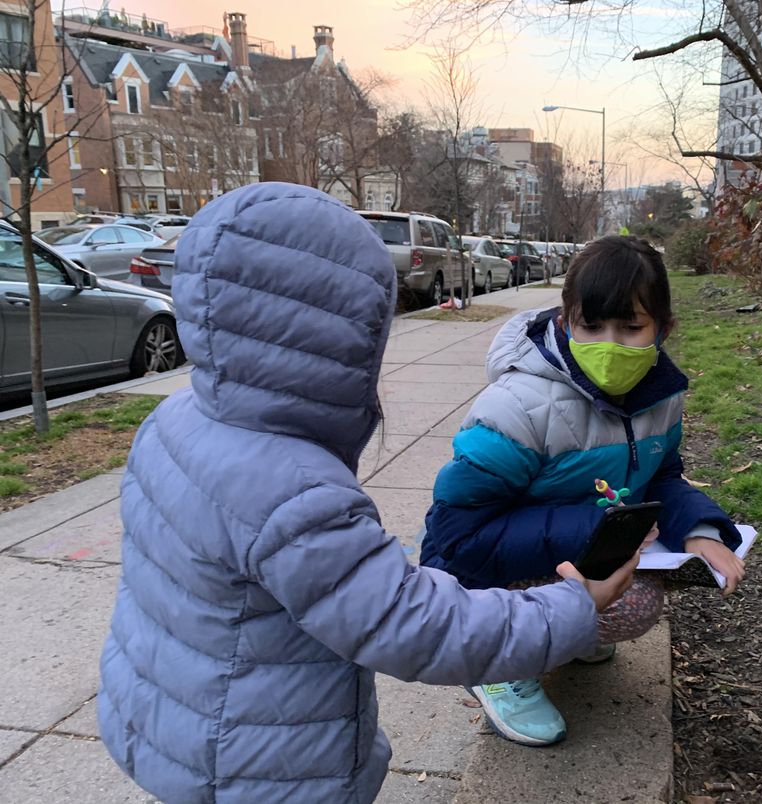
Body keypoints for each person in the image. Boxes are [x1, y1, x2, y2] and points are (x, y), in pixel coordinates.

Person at [96, 183, 637, 804]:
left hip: (166, 716)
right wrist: (572, 609)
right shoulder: (294, 493)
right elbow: (412, 624)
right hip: (263, 765)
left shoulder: (176, 420)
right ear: (342, 337)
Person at [421, 234, 746, 747]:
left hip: (564, 548)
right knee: (624, 600)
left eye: (631, 327)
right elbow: (457, 535)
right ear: (566, 317)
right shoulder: (517, 406)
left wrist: (701, 531)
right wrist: (595, 530)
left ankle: (556, 634)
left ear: (662, 327)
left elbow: (661, 474)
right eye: (591, 326)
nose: (610, 345)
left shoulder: (661, 397)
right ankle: (496, 663)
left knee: (636, 603)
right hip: (476, 569)